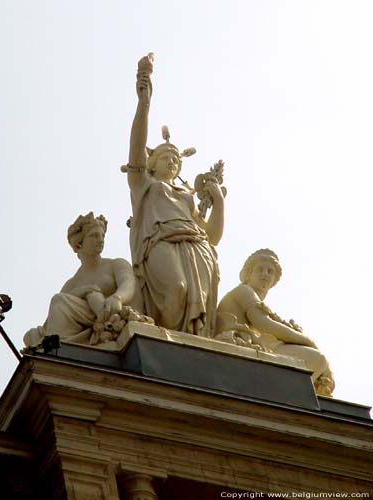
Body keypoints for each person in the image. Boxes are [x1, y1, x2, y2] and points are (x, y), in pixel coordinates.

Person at [124, 54, 224, 337]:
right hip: (161, 242)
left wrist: (218, 200)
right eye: (166, 156)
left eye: (176, 160)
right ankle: (164, 344)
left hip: (197, 248)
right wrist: (144, 104)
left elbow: (212, 236)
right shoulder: (142, 183)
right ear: (151, 162)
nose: (172, 162)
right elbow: (136, 147)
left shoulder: (186, 195)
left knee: (201, 303)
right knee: (177, 289)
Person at [216, 249, 334, 396]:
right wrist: (308, 341)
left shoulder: (257, 302)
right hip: (237, 350)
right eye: (260, 269)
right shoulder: (244, 291)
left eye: (270, 271)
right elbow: (264, 324)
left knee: (318, 360)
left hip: (252, 349)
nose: (265, 274)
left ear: (274, 280)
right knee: (315, 359)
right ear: (248, 274)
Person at [23, 212, 137, 347]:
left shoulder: (116, 263)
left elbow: (128, 283)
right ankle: (58, 344)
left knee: (59, 300)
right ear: (79, 244)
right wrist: (86, 291)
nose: (100, 240)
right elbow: (56, 315)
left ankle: (59, 345)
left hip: (112, 315)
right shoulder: (72, 283)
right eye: (94, 236)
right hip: (90, 321)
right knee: (32, 335)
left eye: (102, 235)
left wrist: (117, 297)